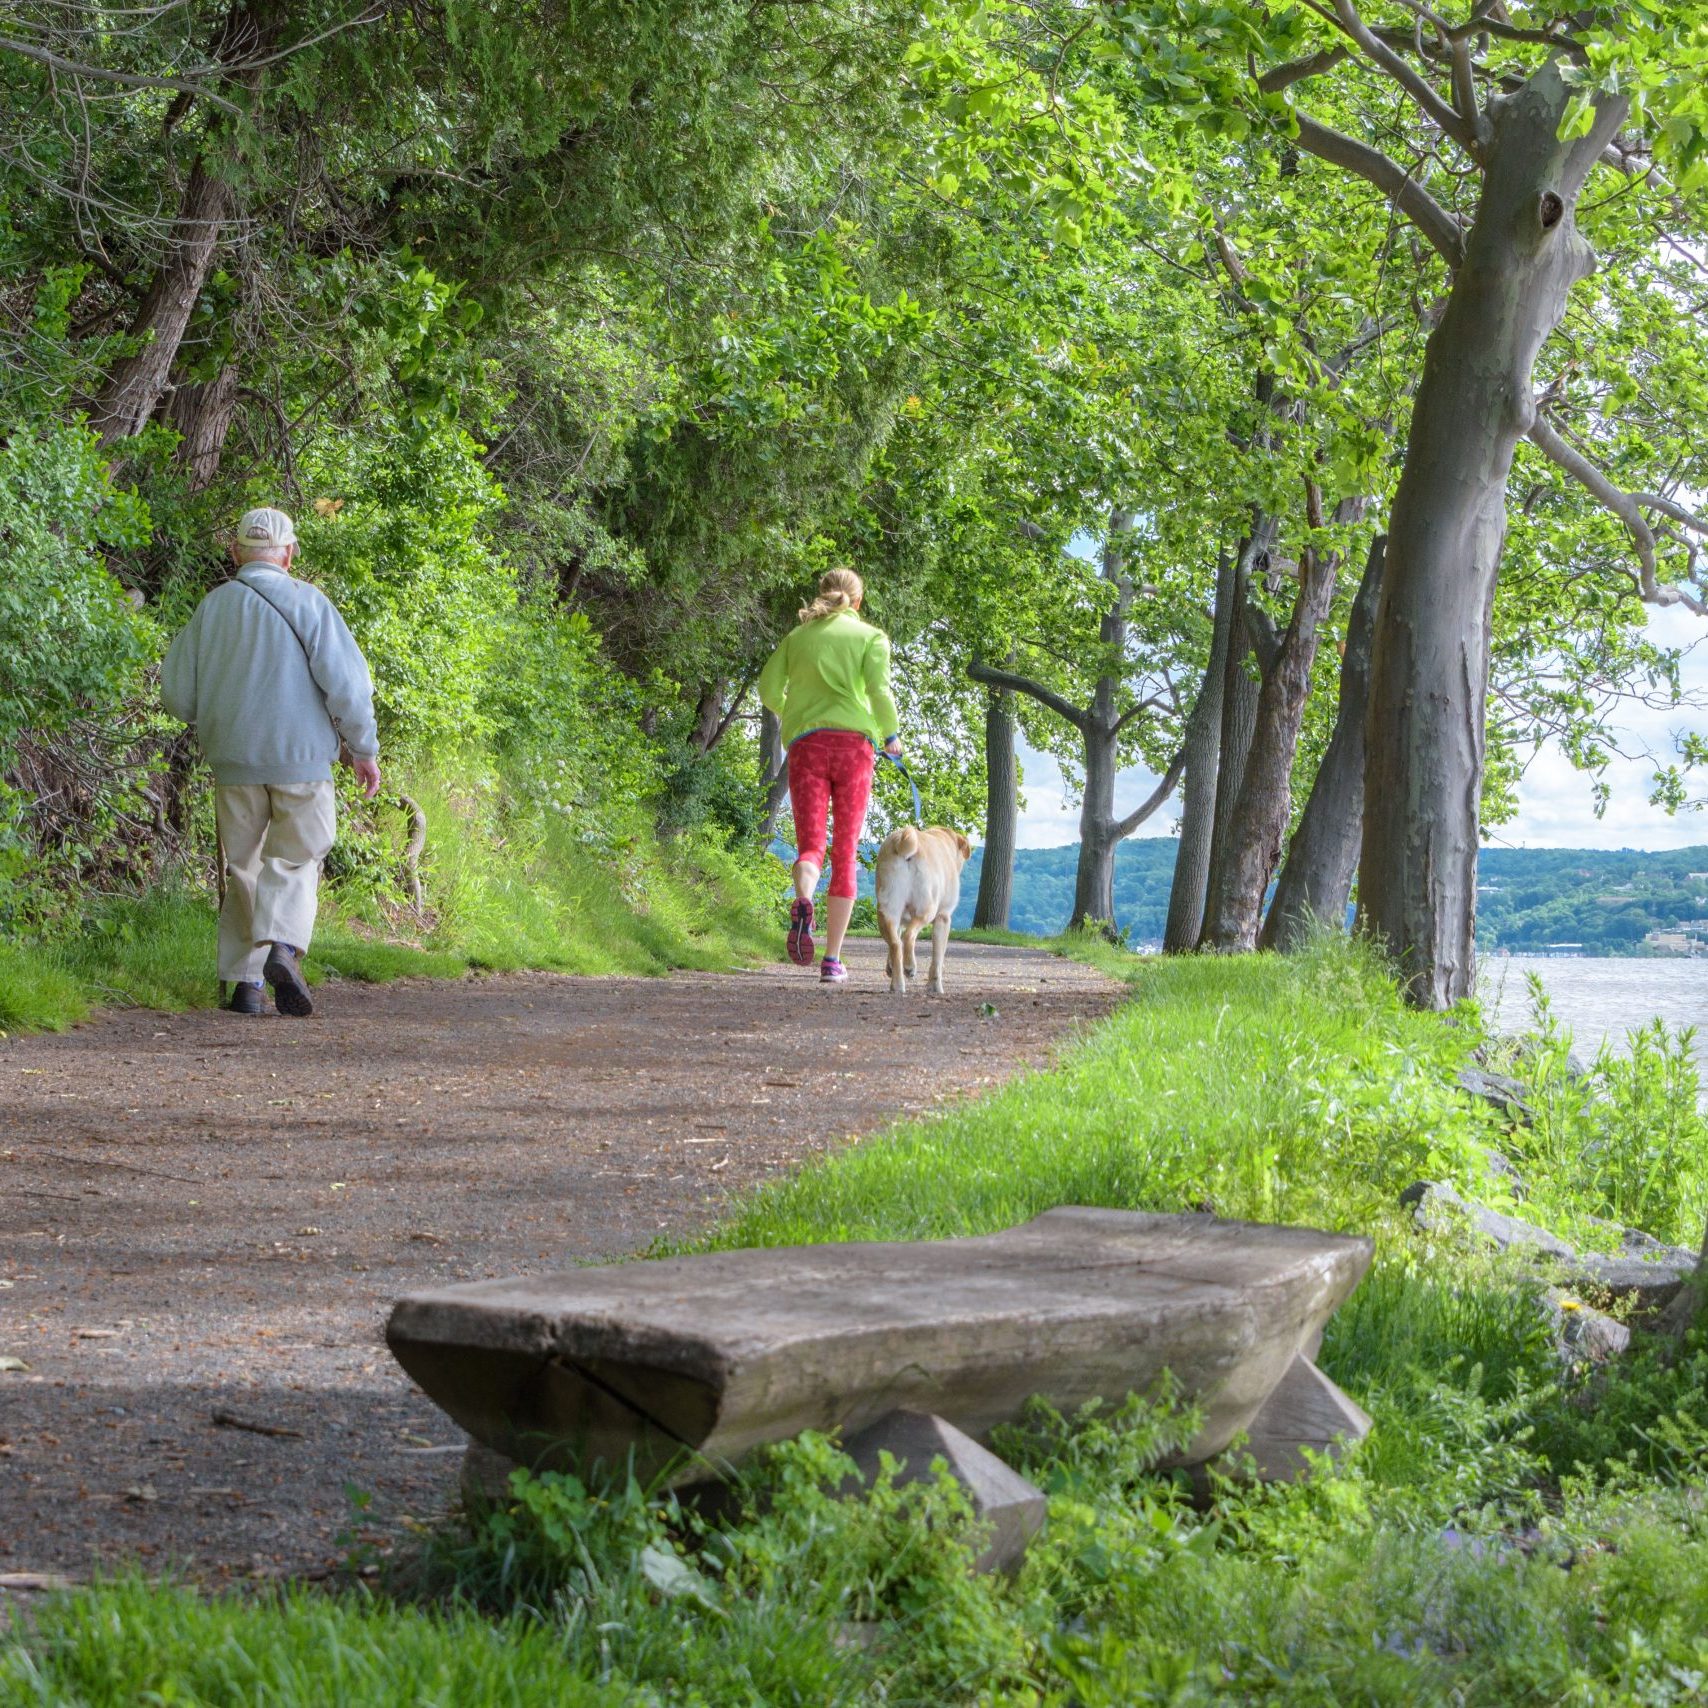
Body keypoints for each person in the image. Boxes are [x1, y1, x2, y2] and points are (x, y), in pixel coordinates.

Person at [161, 507, 381, 1018]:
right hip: (301, 759)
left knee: (245, 868)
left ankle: (246, 986)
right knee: (297, 856)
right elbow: (348, 687)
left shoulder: (211, 608)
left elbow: (177, 697)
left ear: (236, 552)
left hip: (233, 759)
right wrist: (363, 749)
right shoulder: (310, 602)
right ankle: (283, 947)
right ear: (288, 553)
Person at [757, 568, 901, 985]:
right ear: (857, 602)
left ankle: (804, 899)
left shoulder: (796, 638)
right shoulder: (870, 638)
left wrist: (795, 713)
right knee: (846, 850)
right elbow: (878, 690)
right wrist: (889, 734)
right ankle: (832, 960)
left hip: (806, 745)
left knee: (811, 846)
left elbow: (768, 689)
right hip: (854, 748)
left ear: (822, 595)